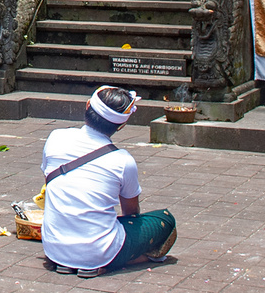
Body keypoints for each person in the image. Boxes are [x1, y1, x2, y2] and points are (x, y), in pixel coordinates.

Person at [40, 86, 176, 278]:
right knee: (165, 220)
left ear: (88, 106)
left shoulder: (56, 137)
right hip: (98, 251)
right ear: (121, 125)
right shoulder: (123, 160)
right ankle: (108, 263)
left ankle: (71, 261)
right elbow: (131, 212)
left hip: (54, 247)